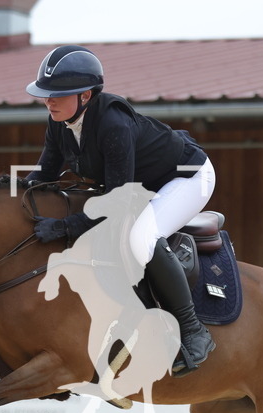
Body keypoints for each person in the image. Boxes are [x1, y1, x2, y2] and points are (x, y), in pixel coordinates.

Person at [25, 45, 216, 377]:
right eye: (46, 94)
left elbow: (118, 201)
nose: (48, 101)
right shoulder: (59, 121)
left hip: (187, 177)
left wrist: (68, 226)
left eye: (57, 94)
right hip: (140, 183)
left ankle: (193, 330)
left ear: (85, 95)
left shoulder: (113, 123)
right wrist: (5, 192)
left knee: (141, 237)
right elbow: (44, 174)